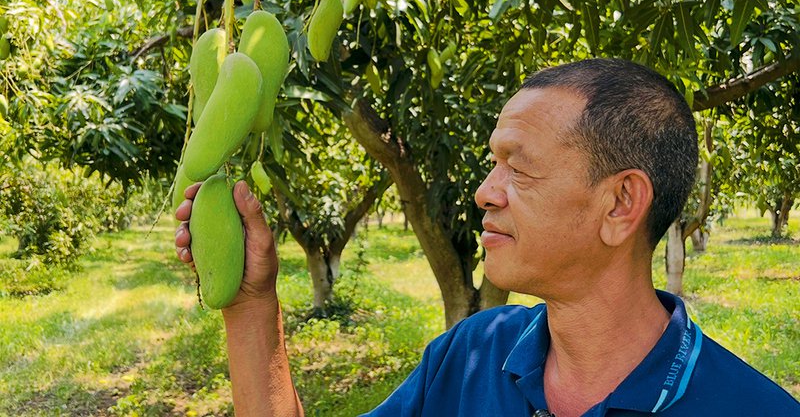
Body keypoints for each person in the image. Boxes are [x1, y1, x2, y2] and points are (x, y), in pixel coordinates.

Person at [175, 58, 800, 416]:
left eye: (518, 167)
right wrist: (253, 303)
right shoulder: (469, 356)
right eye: (492, 164)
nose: (484, 191)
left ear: (620, 203)